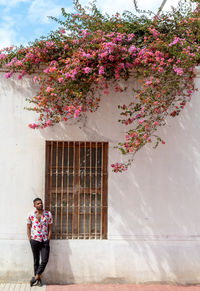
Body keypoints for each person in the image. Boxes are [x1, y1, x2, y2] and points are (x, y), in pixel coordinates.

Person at [27, 198, 53, 287]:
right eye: (38, 203)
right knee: (36, 260)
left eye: (41, 203)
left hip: (44, 240)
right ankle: (38, 280)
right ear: (34, 205)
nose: (40, 204)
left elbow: (50, 227)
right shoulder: (30, 215)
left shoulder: (48, 214)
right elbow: (28, 227)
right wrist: (29, 238)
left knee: (45, 260)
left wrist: (48, 238)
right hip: (34, 240)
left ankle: (36, 277)